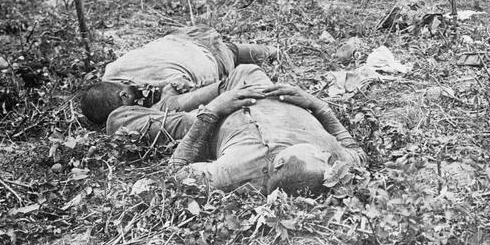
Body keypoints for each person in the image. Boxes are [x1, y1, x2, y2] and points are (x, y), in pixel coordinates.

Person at [108, 64, 366, 195]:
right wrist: (317, 105)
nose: (326, 155)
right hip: (265, 94)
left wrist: (212, 112)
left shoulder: (233, 173)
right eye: (325, 158)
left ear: (279, 164)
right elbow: (357, 152)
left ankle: (171, 103)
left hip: (219, 119)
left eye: (318, 157)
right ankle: (176, 98)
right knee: (247, 69)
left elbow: (175, 171)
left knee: (120, 121)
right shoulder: (333, 162)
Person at [80, 25, 277, 126]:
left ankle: (269, 52)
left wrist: (161, 101)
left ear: (124, 95)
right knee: (233, 50)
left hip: (216, 56)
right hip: (183, 35)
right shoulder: (112, 70)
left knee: (232, 54)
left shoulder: (162, 88)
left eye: (129, 109)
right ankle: (267, 51)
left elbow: (178, 103)